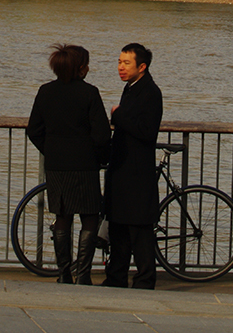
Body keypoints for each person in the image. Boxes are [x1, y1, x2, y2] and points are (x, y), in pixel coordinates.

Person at [27, 44, 111, 285]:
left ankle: (64, 273)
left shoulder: (45, 92)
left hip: (56, 164)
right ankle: (82, 274)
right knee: (89, 216)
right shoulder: (89, 93)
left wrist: (51, 149)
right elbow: (102, 135)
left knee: (62, 215)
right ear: (80, 68)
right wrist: (99, 156)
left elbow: (34, 130)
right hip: (85, 164)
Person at [103, 42, 163, 290]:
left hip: (137, 172)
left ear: (142, 66)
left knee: (139, 229)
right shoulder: (131, 88)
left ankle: (145, 279)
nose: (120, 67)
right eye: (119, 62)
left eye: (126, 63)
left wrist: (118, 117)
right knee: (118, 226)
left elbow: (147, 132)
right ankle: (116, 277)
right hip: (123, 169)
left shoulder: (150, 92)